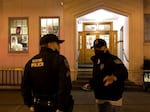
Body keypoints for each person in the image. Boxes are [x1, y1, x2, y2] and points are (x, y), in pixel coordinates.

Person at [21, 34, 74, 112]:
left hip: (38, 106)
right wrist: (61, 107)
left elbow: (25, 86)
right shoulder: (59, 60)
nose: (59, 46)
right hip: (55, 106)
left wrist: (29, 104)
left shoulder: (31, 62)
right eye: (57, 44)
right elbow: (65, 85)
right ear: (50, 44)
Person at [82, 39, 128, 112]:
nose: (97, 50)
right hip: (100, 97)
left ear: (105, 48)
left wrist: (114, 77)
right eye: (95, 48)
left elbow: (124, 72)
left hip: (112, 99)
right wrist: (91, 84)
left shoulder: (113, 59)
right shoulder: (97, 61)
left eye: (99, 48)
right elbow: (97, 77)